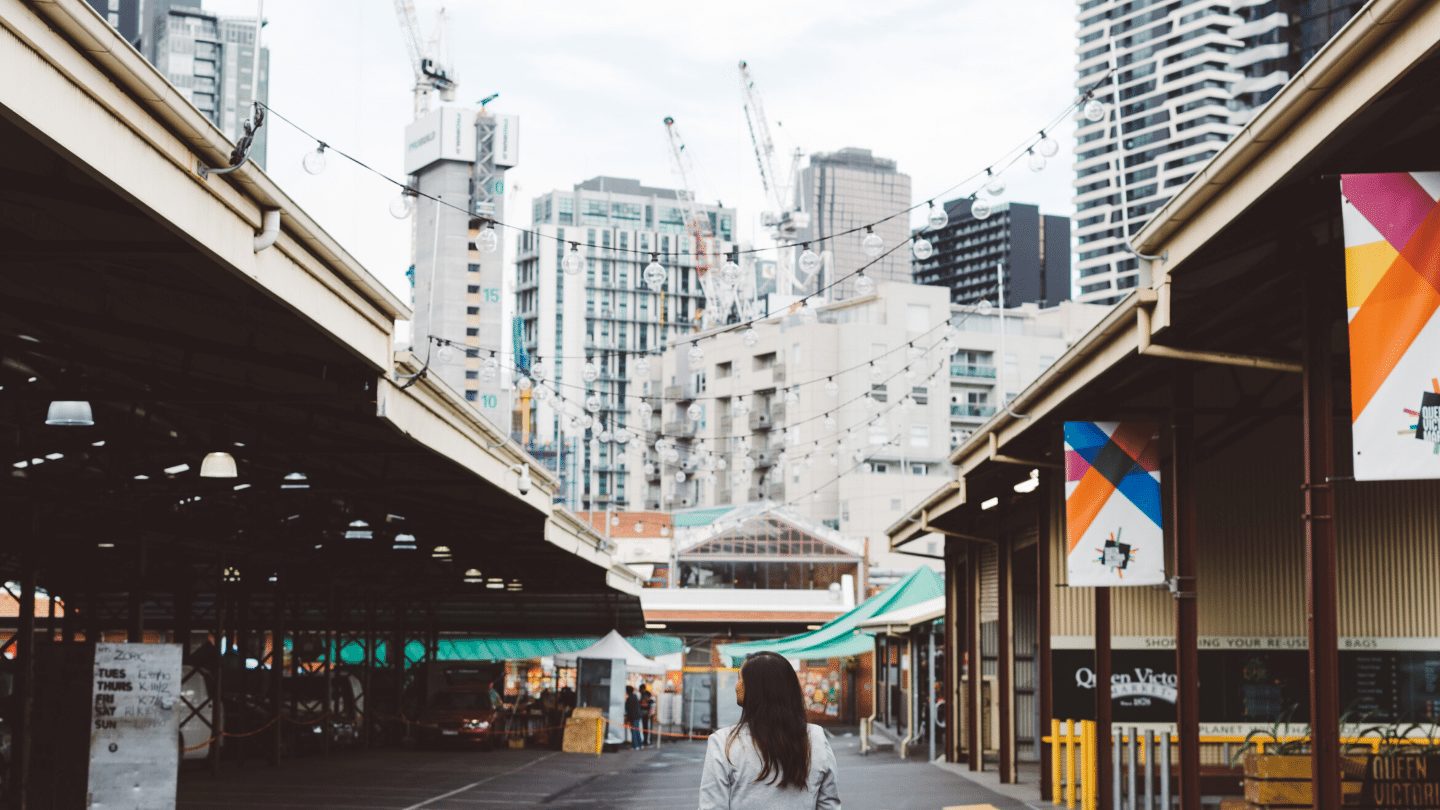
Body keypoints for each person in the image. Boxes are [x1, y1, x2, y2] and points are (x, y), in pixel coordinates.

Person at [699, 651, 840, 809]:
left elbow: (712, 806)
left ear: (757, 689)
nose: (736, 685)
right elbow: (828, 804)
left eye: (740, 679)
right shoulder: (816, 737)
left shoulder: (723, 742)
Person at [624, 685, 644, 750]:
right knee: (637, 730)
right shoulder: (635, 697)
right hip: (637, 716)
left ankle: (635, 746)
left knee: (633, 731)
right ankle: (640, 744)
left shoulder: (629, 699)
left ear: (627, 691)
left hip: (633, 716)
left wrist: (627, 719)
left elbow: (629, 710)